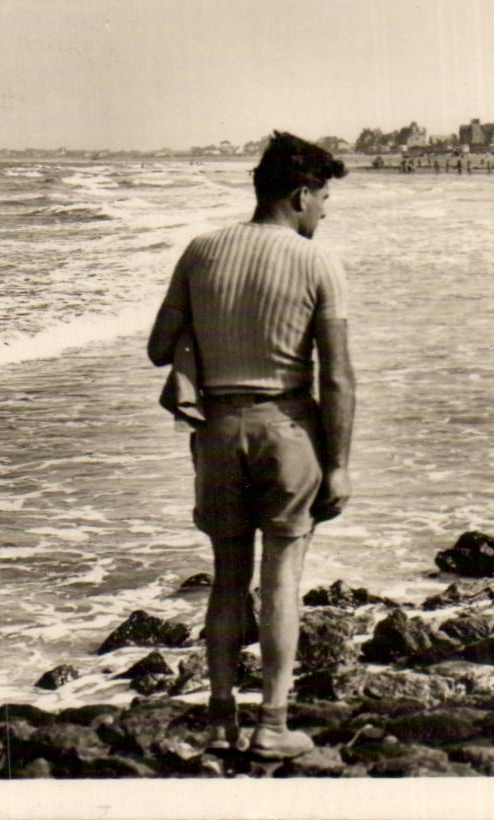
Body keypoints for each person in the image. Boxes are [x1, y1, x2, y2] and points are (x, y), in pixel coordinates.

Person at [147, 131, 356, 759]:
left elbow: (158, 347)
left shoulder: (201, 250)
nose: (325, 212)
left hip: (216, 432)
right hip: (287, 430)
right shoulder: (317, 262)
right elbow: (337, 377)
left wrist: (206, 335)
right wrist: (339, 466)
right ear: (300, 195)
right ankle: (272, 724)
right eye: (324, 198)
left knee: (228, 579)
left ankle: (220, 719)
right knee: (283, 579)